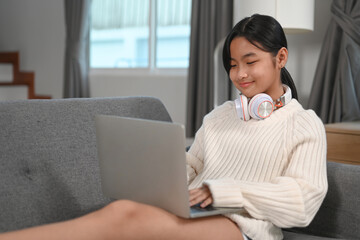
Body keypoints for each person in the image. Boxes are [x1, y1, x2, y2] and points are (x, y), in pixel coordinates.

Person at [0, 14, 327, 240]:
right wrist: (163, 181)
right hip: (194, 213)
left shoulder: (303, 124)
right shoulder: (220, 116)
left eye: (250, 61)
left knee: (123, 218)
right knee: (123, 210)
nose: (240, 74)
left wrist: (221, 190)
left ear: (280, 58)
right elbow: (189, 165)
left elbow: (302, 201)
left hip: (244, 227)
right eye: (232, 65)